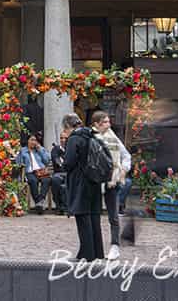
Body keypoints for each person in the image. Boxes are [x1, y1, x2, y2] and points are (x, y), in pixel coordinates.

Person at [62, 113, 104, 261]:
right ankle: (97, 252)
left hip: (81, 183)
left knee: (83, 219)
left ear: (68, 126)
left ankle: (87, 255)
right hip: (95, 181)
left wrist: (63, 161)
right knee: (94, 218)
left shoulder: (74, 139)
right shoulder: (92, 135)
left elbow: (69, 162)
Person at [92, 110, 127, 260]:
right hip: (95, 181)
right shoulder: (92, 137)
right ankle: (95, 246)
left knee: (113, 215)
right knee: (94, 215)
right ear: (96, 124)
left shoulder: (114, 138)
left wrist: (123, 170)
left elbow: (126, 156)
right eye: (105, 122)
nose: (108, 124)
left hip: (112, 181)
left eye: (108, 121)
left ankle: (115, 246)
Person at [16, 133, 52, 215]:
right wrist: (22, 165)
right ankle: (38, 202)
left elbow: (47, 161)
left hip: (41, 171)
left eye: (35, 140)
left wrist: (40, 150)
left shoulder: (40, 149)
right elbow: (18, 162)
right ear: (27, 141)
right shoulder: (23, 150)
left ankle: (40, 201)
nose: (33, 142)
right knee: (33, 181)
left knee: (47, 180)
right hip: (30, 172)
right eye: (31, 140)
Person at [51, 132, 69, 214]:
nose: (63, 140)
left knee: (65, 186)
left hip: (69, 173)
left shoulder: (71, 149)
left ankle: (65, 206)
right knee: (55, 180)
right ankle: (58, 206)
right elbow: (56, 161)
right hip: (58, 173)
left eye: (65, 138)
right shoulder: (56, 149)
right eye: (61, 138)